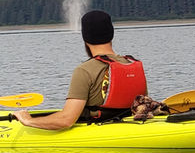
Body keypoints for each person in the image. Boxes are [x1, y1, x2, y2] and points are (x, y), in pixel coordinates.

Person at [13, 10, 147, 130]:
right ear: (111, 34)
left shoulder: (84, 70)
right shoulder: (132, 64)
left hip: (98, 127)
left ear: (85, 38)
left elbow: (66, 120)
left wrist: (28, 120)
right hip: (128, 124)